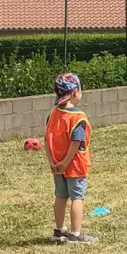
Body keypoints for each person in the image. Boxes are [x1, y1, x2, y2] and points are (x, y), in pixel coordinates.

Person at [46, 72, 97, 244]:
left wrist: (54, 163)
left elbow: (47, 139)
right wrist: (66, 163)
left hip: (57, 167)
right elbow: (76, 142)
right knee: (77, 197)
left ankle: (59, 231)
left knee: (61, 196)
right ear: (76, 92)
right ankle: (76, 234)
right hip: (74, 166)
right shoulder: (77, 117)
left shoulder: (53, 114)